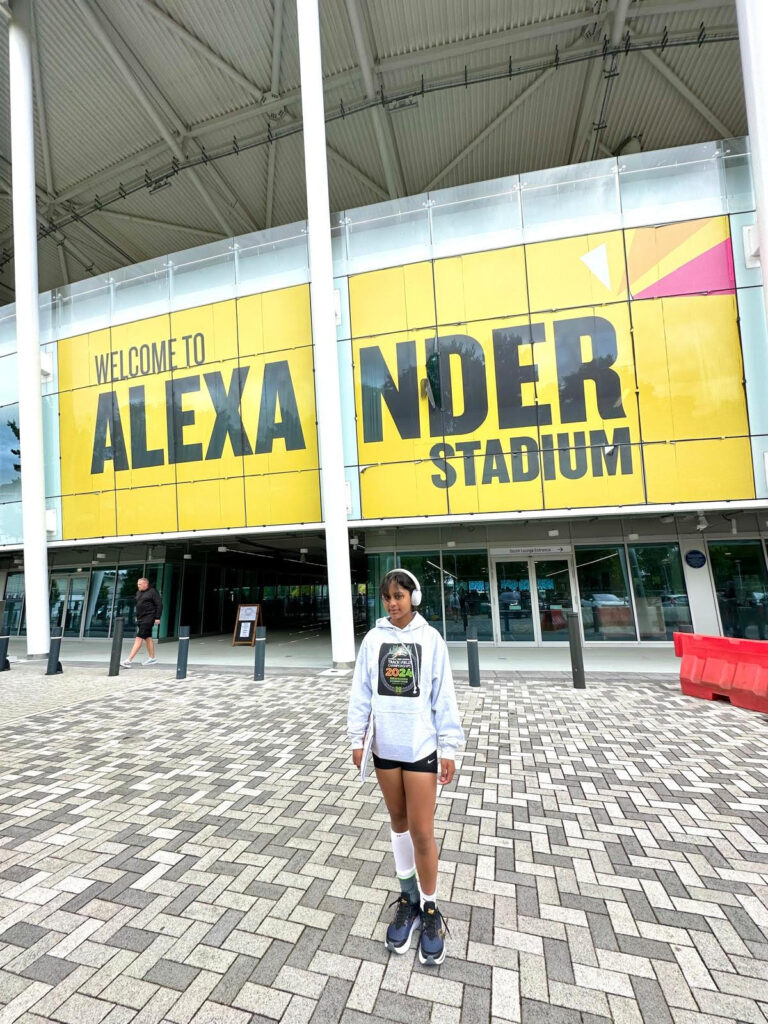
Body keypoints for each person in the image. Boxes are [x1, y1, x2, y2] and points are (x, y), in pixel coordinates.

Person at [347, 568, 464, 966]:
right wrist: (357, 738)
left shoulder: (431, 640)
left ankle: (430, 910)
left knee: (423, 831)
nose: (392, 603)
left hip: (420, 748)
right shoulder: (374, 639)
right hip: (385, 747)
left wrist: (448, 746)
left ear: (413, 598)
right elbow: (361, 690)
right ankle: (409, 899)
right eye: (387, 597)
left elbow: (443, 695)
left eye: (399, 596)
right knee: (398, 824)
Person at [121, 577, 163, 667]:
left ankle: (128, 660)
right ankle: (152, 658)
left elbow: (159, 604)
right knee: (148, 637)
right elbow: (139, 605)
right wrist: (137, 616)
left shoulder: (152, 592)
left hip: (149, 618)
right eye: (137, 584)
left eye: (140, 584)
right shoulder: (138, 592)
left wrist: (157, 617)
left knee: (139, 638)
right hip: (141, 618)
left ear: (145, 584)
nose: (138, 586)